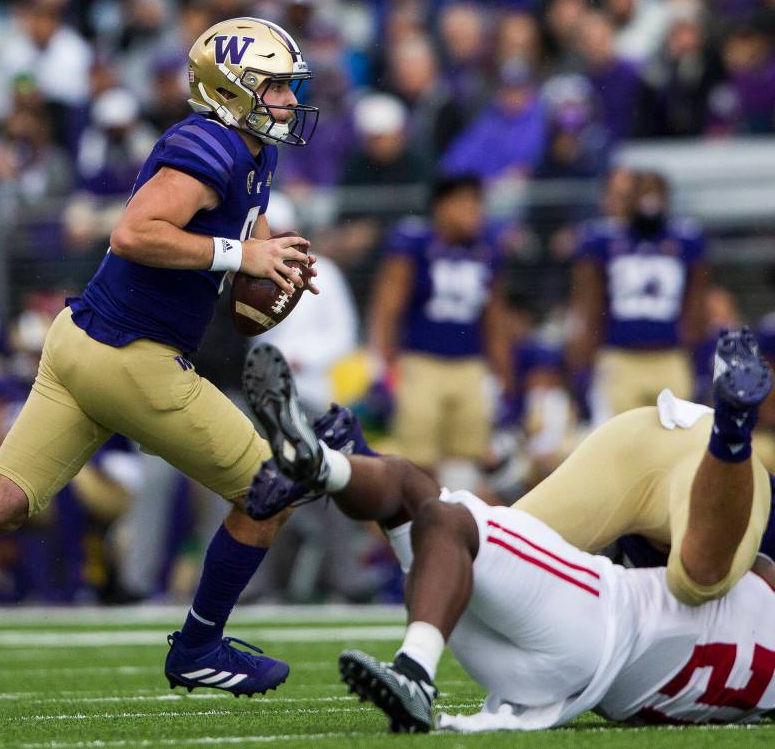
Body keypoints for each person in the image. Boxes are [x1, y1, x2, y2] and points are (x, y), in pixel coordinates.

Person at [0, 16, 320, 701]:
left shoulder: (249, 152)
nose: (286, 100)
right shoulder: (210, 144)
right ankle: (197, 645)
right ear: (230, 90)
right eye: (274, 86)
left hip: (83, 343)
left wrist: (272, 274)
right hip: (131, 356)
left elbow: (248, 255)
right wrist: (243, 255)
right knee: (269, 490)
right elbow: (134, 233)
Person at [240, 341, 775, 733]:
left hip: (597, 627)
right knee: (449, 531)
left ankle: (334, 462)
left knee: (452, 530)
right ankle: (328, 468)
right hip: (570, 670)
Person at [368, 175, 511, 494]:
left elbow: (495, 318)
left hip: (470, 365)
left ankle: (460, 533)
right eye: (464, 203)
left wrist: (502, 376)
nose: (474, 211)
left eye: (477, 203)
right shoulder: (415, 244)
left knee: (467, 460)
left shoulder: (487, 249)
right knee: (418, 461)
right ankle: (420, 531)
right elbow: (388, 307)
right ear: (441, 207)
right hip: (421, 363)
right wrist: (380, 362)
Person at [568, 170, 709, 426]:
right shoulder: (604, 240)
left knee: (678, 438)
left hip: (669, 355)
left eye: (656, 191)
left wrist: (696, 356)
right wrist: (582, 366)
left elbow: (697, 305)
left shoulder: (685, 239)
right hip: (620, 358)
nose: (650, 199)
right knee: (622, 437)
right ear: (629, 198)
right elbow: (589, 306)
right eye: (643, 191)